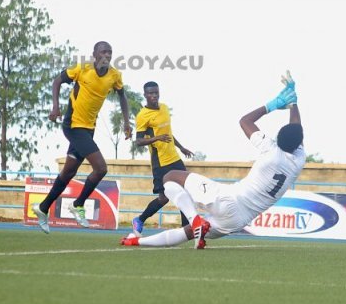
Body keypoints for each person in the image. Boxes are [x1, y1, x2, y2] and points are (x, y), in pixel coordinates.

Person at [121, 71, 303, 250]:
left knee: (170, 177)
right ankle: (138, 242)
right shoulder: (298, 160)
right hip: (238, 221)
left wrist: (273, 105)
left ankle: (195, 219)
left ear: (277, 139)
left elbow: (245, 121)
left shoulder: (270, 149)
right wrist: (293, 103)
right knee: (187, 233)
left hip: (228, 200)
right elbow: (297, 128)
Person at [32, 41, 131, 233]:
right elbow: (57, 81)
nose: (107, 55)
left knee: (69, 172)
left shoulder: (114, 75)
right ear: (94, 54)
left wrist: (127, 122)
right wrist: (55, 106)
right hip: (73, 125)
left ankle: (43, 208)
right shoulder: (82, 68)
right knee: (101, 168)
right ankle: (78, 205)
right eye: (103, 52)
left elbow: (122, 96)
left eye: (110, 53)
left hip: (88, 129)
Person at [130, 81, 194, 236]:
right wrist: (156, 138)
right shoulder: (143, 116)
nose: (154, 96)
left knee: (185, 192)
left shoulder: (164, 108)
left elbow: (168, 133)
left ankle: (187, 230)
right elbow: (138, 141)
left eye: (156, 93)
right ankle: (140, 219)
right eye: (150, 93)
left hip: (175, 158)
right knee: (164, 198)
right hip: (160, 162)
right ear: (145, 95)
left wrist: (181, 147)